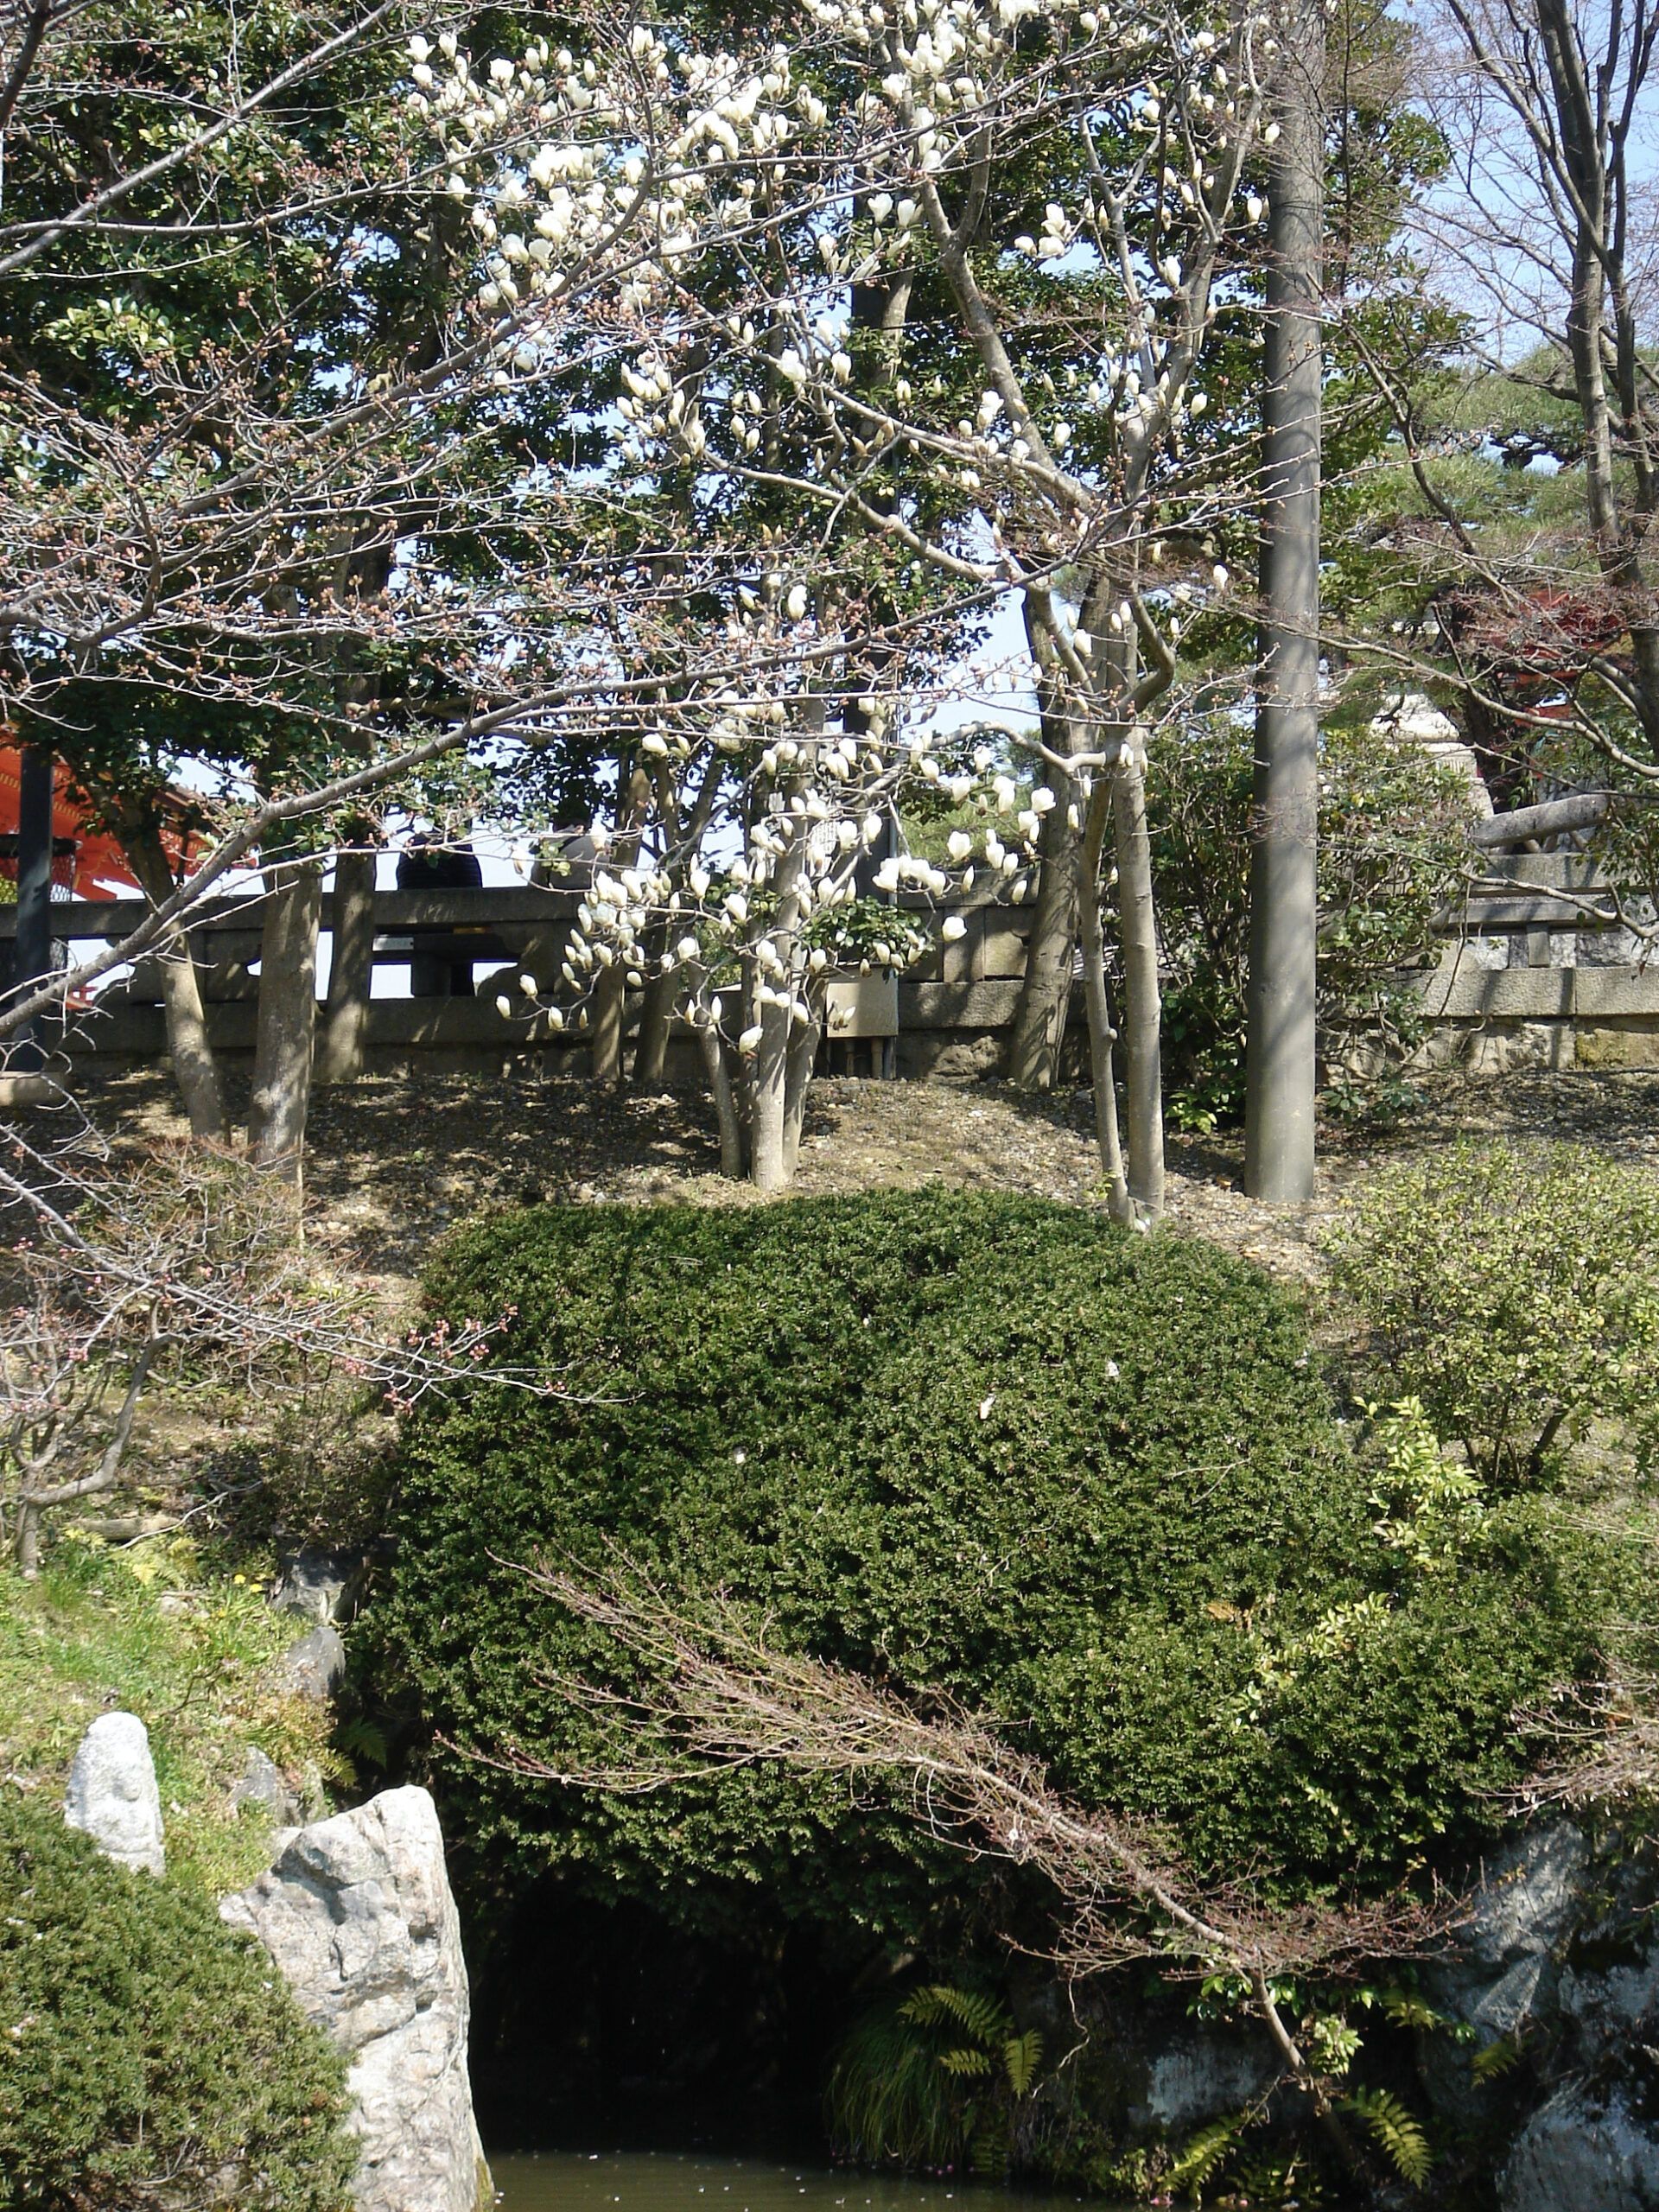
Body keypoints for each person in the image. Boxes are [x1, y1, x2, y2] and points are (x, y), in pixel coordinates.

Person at [397, 834, 484, 997]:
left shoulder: (412, 843)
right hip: (453, 928)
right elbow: (474, 895)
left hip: (411, 927)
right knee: (468, 932)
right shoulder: (459, 845)